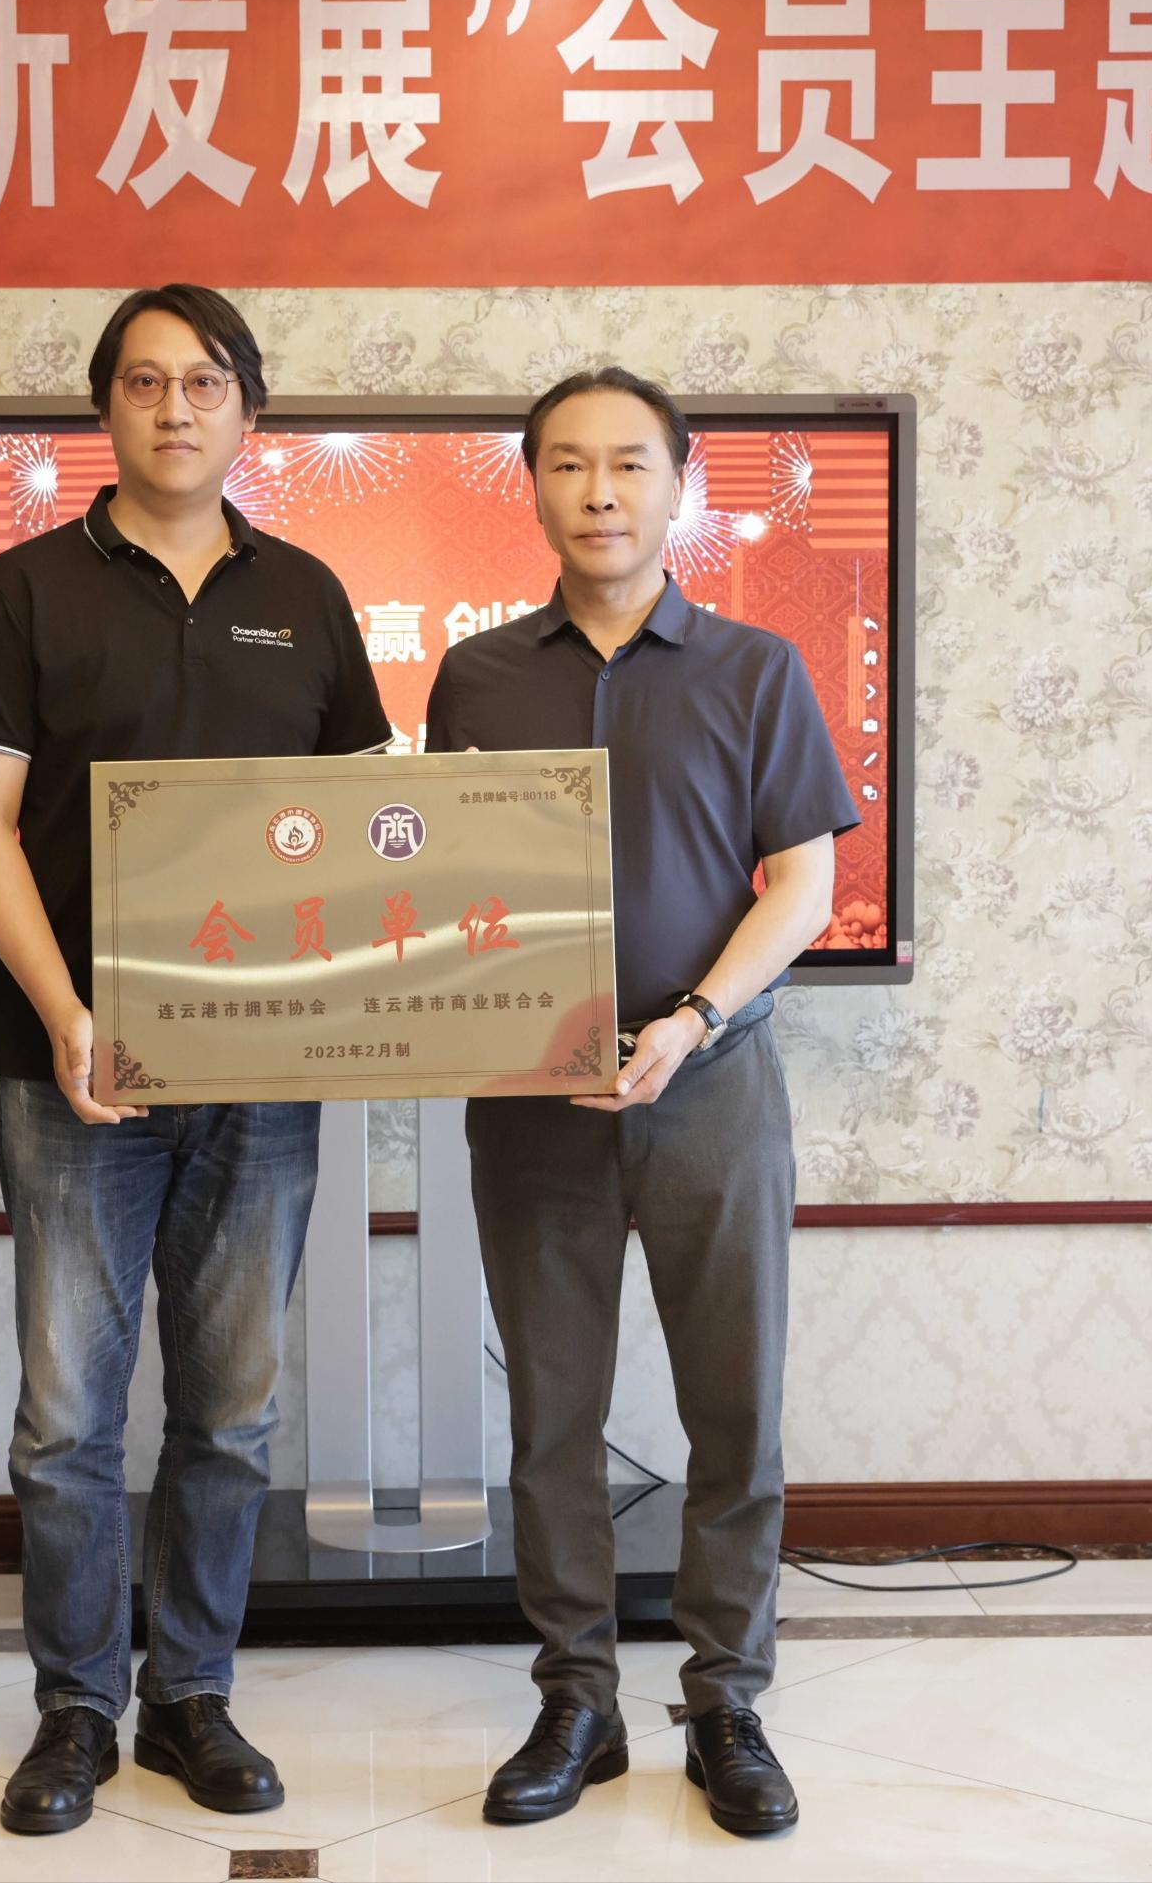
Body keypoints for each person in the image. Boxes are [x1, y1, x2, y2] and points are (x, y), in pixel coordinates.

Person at [0, 284, 393, 1836]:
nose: (175, 406)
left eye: (205, 381)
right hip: (75, 1065)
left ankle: (190, 1691)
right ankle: (75, 1706)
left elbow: (361, 826)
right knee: (68, 1415)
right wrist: (68, 1013)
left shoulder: (307, 594)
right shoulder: (24, 589)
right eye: (144, 382)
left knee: (232, 1406)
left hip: (265, 1072)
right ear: (104, 409)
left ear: (249, 408)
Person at [424, 369, 858, 1838]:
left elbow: (802, 884)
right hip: (531, 1098)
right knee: (554, 1415)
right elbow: (448, 885)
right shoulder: (475, 677)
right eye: (567, 464)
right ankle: (579, 1701)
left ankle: (727, 1700)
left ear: (679, 483)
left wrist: (693, 1019)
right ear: (532, 486)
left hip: (711, 1084)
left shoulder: (756, 669)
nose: (598, 491)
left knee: (734, 1408)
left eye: (627, 463)